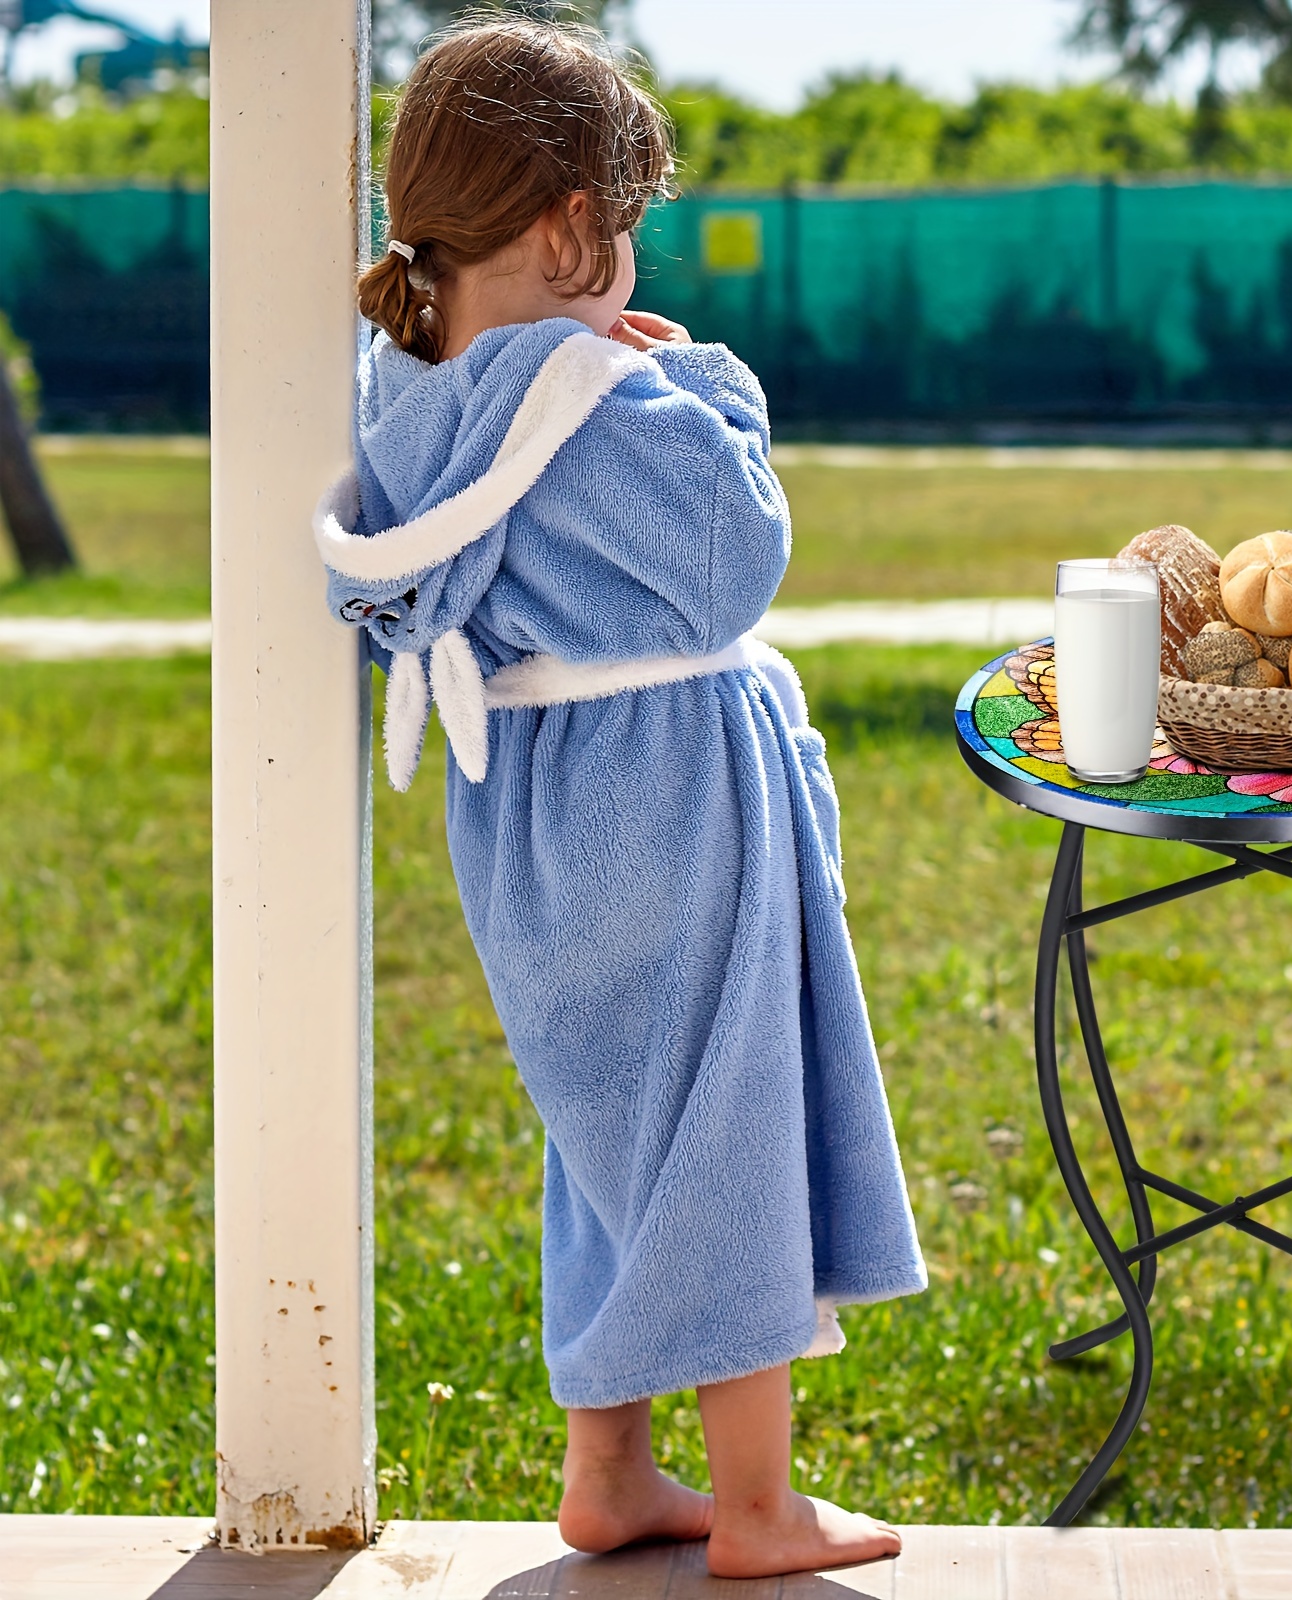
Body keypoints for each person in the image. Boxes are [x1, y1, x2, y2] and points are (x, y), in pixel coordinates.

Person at [313, 19, 926, 1581]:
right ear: (570, 225)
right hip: (668, 796)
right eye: (627, 223)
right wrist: (712, 381)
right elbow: (739, 558)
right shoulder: (595, 389)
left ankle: (612, 1473)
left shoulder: (409, 384)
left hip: (526, 805)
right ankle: (761, 1504)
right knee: (723, 1116)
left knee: (605, 1132)